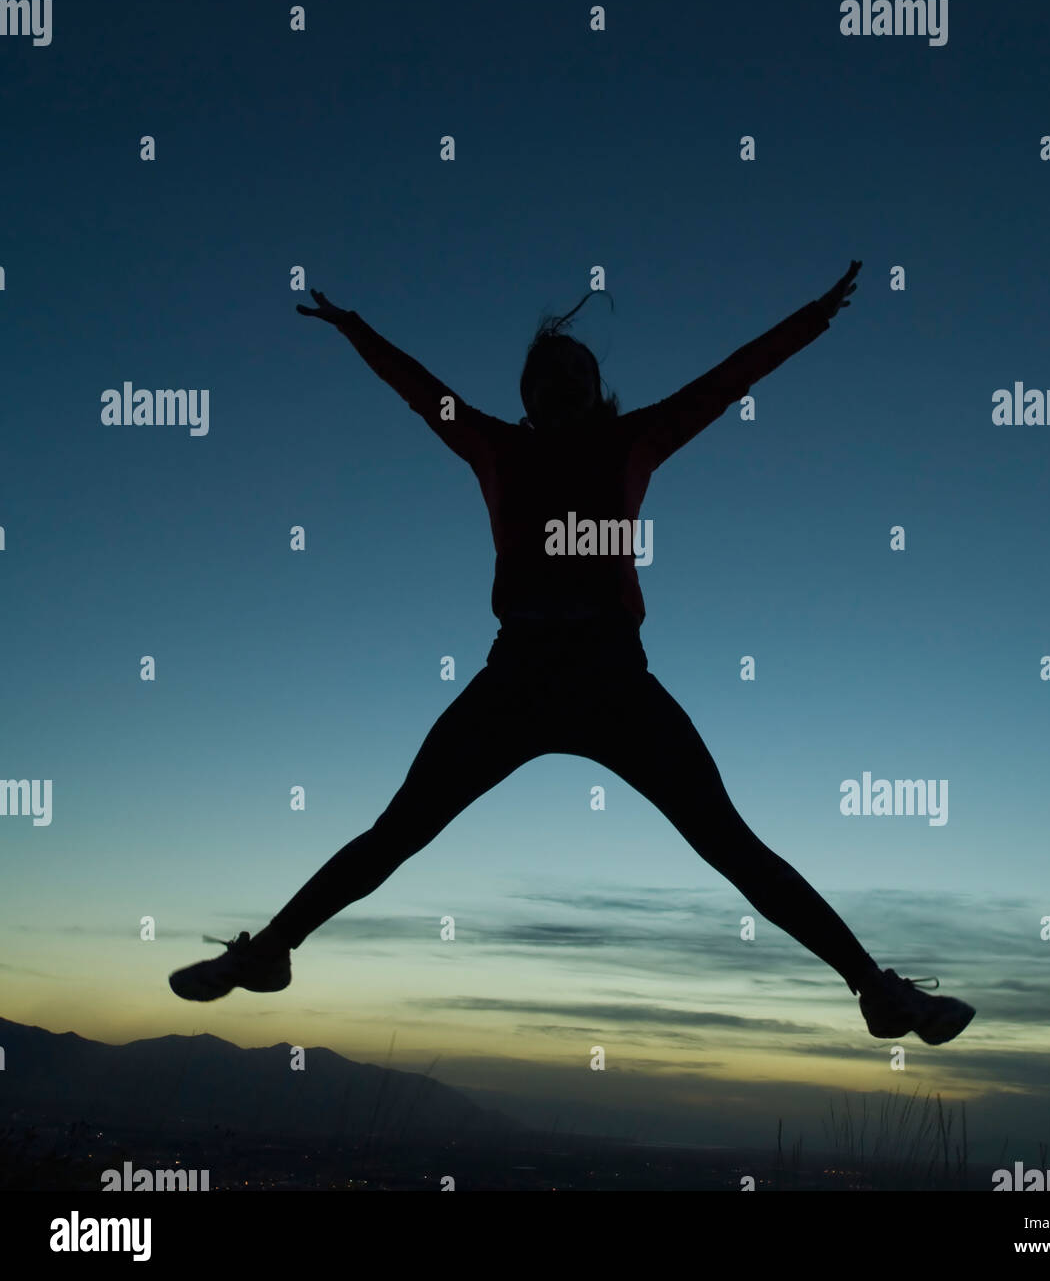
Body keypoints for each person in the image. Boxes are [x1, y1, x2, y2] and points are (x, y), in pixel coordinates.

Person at [170, 261, 974, 1045]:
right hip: (517, 675)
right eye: (546, 375)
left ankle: (874, 989)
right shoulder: (493, 446)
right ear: (527, 397)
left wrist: (810, 318)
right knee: (399, 830)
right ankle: (270, 952)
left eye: (575, 369)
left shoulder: (637, 439)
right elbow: (422, 393)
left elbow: (727, 381)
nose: (562, 382)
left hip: (611, 677)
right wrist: (355, 329)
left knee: (729, 844)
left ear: (595, 387)